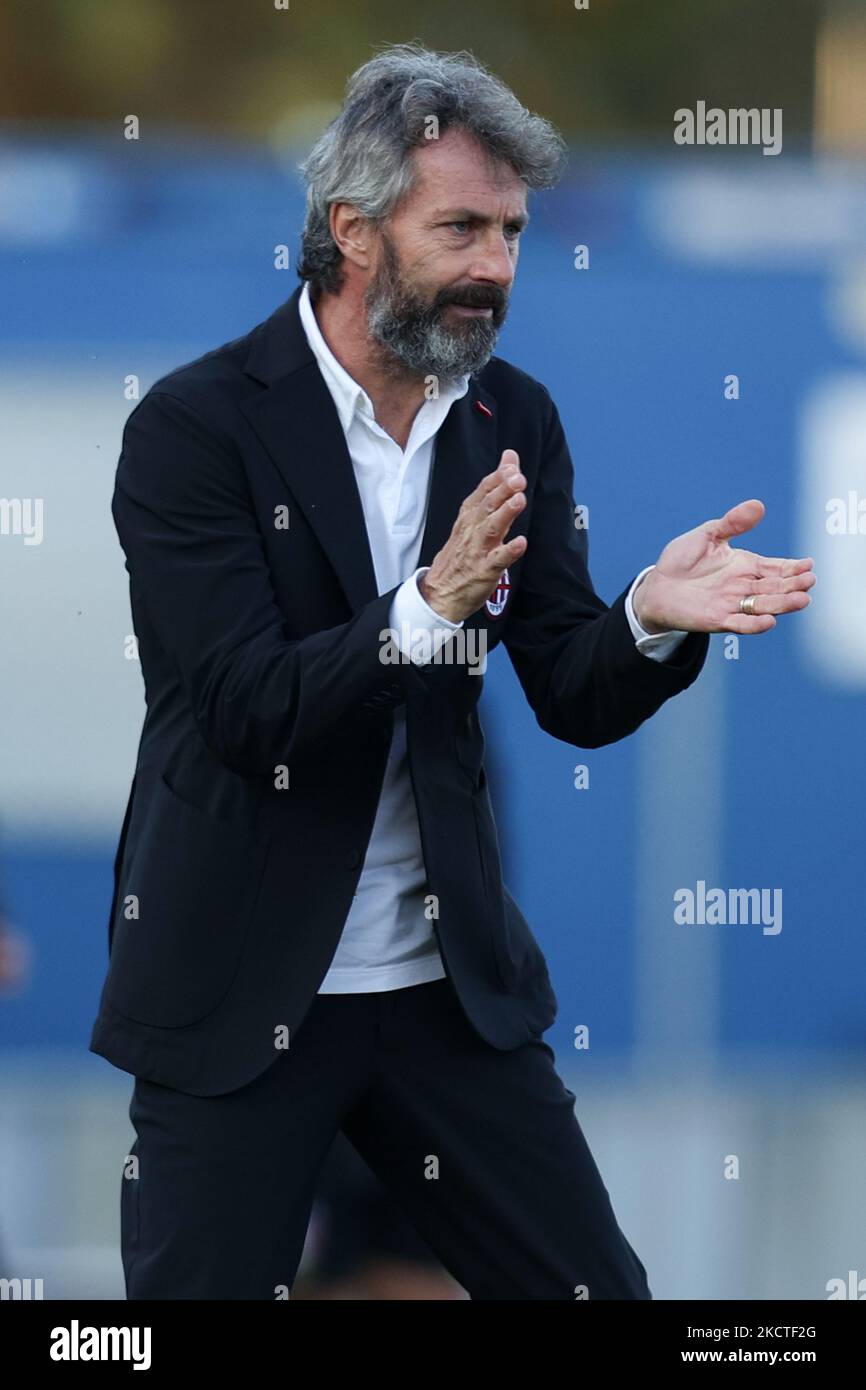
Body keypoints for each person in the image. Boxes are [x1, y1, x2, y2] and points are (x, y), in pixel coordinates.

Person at [89, 43, 815, 1300]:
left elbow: (572, 688)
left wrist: (648, 613)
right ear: (352, 230)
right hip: (239, 996)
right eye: (461, 227)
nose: (494, 266)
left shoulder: (508, 416)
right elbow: (244, 707)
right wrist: (425, 607)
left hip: (443, 995)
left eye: (515, 232)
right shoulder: (195, 428)